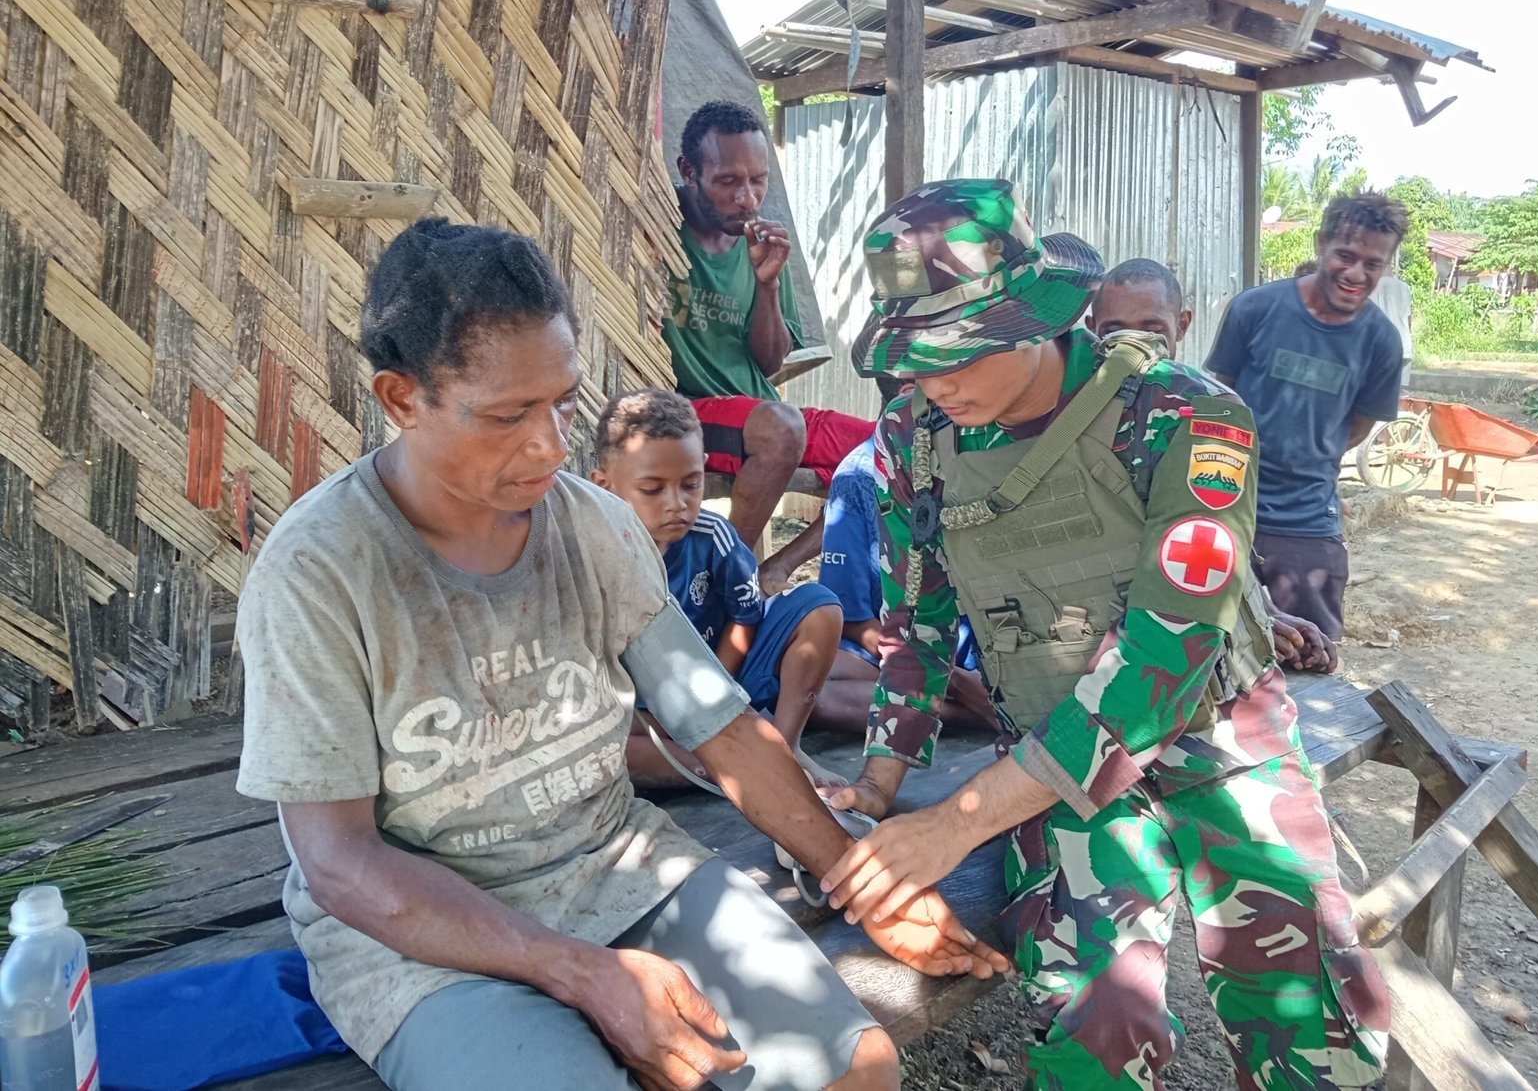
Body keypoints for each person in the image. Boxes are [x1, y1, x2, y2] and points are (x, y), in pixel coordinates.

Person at [234, 219, 1007, 1091]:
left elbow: (722, 728)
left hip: (617, 866)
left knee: (856, 1070)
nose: (551, 443)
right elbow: (341, 862)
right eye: (508, 414)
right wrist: (583, 972)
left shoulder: (594, 526)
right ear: (401, 397)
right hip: (426, 937)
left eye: (563, 401)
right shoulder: (318, 571)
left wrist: (860, 881)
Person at [815, 180, 1388, 1090]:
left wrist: (957, 821)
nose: (934, 382)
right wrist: (880, 782)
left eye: (956, 353)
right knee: (1098, 1019)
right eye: (914, 360)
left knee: (1305, 1015)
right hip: (1054, 760)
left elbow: (1166, 657)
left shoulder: (1183, 414)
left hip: (1220, 736)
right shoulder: (914, 436)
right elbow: (917, 622)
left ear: (1035, 318)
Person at [1089, 258, 1339, 674]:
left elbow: (1207, 543)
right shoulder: (1071, 415)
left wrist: (1265, 615)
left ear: (1182, 325)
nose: (1136, 349)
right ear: (1091, 328)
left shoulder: (1207, 411)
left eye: (1152, 331)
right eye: (1115, 332)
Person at [590, 388, 848, 788]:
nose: (676, 504)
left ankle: (784, 747)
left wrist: (715, 699)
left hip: (725, 686)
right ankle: (735, 767)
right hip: (646, 713)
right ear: (604, 486)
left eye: (690, 484)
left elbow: (745, 618)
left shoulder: (713, 536)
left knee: (819, 608)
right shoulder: (592, 555)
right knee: (607, 743)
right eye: (653, 489)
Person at [665, 100, 874, 589]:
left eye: (758, 181)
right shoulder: (654, 225)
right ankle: (720, 582)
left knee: (893, 445)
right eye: (728, 181)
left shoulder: (760, 242)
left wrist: (768, 285)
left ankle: (774, 568)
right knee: (781, 428)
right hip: (684, 415)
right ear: (688, 172)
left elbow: (771, 361)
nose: (748, 199)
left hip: (754, 414)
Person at [1205, 193, 1407, 641]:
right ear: (1321, 244)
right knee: (1210, 650)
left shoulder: (1381, 343)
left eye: (1373, 264)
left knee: (1310, 652)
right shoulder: (1254, 309)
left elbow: (1358, 427)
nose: (1356, 274)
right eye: (1345, 256)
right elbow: (1222, 398)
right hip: (1227, 506)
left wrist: (1308, 453)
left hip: (1307, 523)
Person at [812, 436, 998, 735]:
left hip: (997, 648)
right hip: (903, 651)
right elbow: (852, 619)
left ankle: (985, 703)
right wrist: (952, 679)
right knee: (809, 685)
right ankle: (978, 712)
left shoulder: (999, 453)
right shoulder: (859, 476)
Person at [1371, 273, 1415, 387]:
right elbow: (1409, 318)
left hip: (1383, 348)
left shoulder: (1373, 286)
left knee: (1380, 390)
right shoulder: (1404, 287)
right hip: (1404, 344)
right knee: (1401, 391)